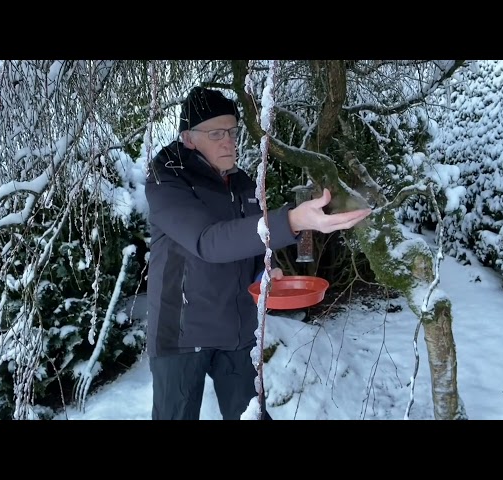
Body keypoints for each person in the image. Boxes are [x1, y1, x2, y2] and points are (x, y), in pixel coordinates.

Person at [144, 86, 371, 420]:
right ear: (188, 138)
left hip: (236, 329)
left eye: (233, 131)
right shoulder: (167, 180)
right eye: (217, 133)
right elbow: (209, 241)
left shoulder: (243, 182)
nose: (228, 141)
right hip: (181, 333)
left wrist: (265, 270)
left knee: (251, 415)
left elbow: (251, 242)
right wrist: (292, 220)